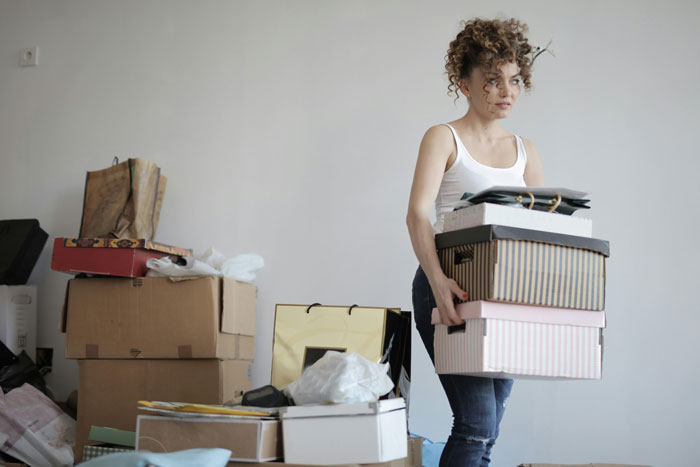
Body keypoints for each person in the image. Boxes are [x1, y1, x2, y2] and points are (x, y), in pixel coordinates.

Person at [406, 18, 545, 466]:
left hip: (505, 294)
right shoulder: (443, 137)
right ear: (464, 84)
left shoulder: (526, 150)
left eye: (514, 80)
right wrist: (438, 281)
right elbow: (417, 215)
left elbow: (538, 232)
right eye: (491, 81)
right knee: (477, 422)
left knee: (489, 427)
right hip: (450, 284)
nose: (506, 91)